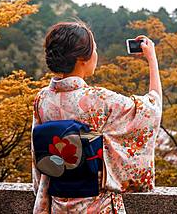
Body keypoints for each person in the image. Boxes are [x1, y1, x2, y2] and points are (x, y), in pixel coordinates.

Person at [31, 20, 162, 213]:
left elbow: (38, 154)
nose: (96, 55)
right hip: (97, 205)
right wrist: (152, 59)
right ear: (81, 59)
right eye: (95, 49)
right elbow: (151, 110)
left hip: (57, 203)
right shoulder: (99, 99)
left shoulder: (42, 98)